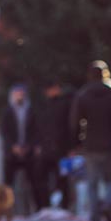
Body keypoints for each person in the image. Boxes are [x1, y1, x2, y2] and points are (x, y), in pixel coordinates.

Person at [71, 60, 111, 221]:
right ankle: (107, 205)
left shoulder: (83, 95)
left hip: (90, 145)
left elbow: (74, 121)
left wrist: (76, 142)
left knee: (92, 184)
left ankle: (95, 220)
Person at [0, 84, 41, 214]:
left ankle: (38, 209)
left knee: (34, 182)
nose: (20, 96)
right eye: (17, 94)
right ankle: (6, 210)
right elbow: (4, 132)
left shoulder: (31, 111)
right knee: (8, 184)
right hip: (12, 153)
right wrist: (13, 147)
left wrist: (29, 146)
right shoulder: (8, 112)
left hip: (28, 152)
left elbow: (36, 131)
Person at [34, 82, 76, 210]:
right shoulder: (45, 106)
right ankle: (45, 205)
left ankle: (63, 206)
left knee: (61, 180)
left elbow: (69, 127)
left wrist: (70, 147)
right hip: (50, 148)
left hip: (59, 148)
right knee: (44, 179)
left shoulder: (64, 105)